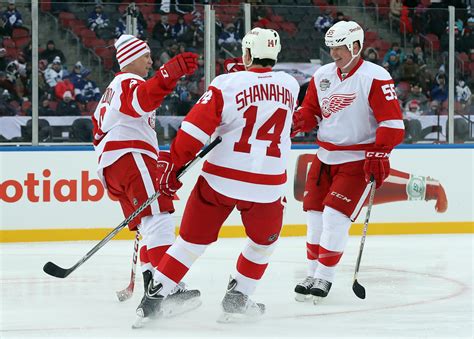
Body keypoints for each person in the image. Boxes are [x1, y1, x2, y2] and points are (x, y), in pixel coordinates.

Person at [134, 27, 300, 326]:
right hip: (266, 186)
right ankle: (238, 297)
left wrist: (173, 165)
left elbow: (194, 130)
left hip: (220, 181)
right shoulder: (290, 85)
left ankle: (153, 300)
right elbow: (265, 97)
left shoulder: (225, 84)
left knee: (189, 243)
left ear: (246, 53)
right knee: (263, 244)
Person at [291, 21, 404, 303]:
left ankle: (325, 278)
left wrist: (380, 151)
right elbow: (312, 111)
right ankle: (312, 272)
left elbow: (392, 123)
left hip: (357, 160)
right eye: (331, 48)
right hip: (324, 157)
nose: (334, 54)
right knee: (314, 217)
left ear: (355, 46)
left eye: (340, 48)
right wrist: (299, 121)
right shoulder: (322, 75)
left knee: (334, 217)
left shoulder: (375, 76)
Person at [91, 34, 201, 322]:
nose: (151, 61)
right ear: (129, 59)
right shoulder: (129, 82)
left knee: (149, 225)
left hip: (115, 166)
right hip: (129, 157)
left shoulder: (112, 90)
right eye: (146, 56)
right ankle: (168, 290)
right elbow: (140, 101)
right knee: (160, 218)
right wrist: (169, 73)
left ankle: (153, 284)